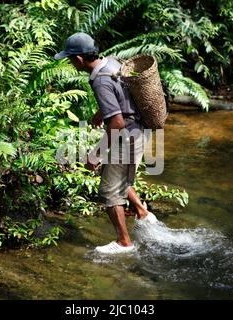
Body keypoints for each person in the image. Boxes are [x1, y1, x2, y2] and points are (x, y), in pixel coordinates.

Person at [54, 32, 158, 254]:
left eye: (71, 59)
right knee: (118, 178)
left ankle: (124, 243)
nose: (71, 64)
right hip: (139, 130)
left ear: (80, 59)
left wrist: (96, 153)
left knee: (109, 191)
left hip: (127, 135)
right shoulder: (112, 62)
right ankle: (143, 213)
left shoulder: (100, 80)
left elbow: (117, 123)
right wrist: (102, 112)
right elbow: (120, 96)